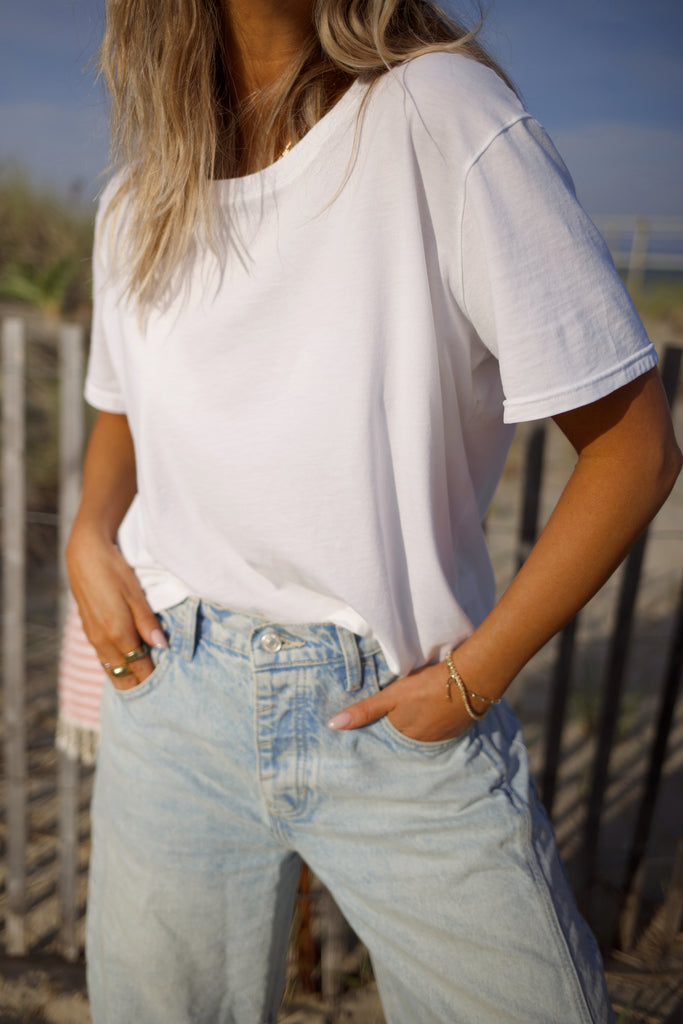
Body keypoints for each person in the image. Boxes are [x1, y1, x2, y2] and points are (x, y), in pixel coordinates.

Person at [67, 0, 681, 1021]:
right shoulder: (138, 197)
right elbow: (121, 410)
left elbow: (632, 448)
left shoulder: (441, 118)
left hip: (396, 710)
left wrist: (472, 678)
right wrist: (90, 534)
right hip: (168, 697)